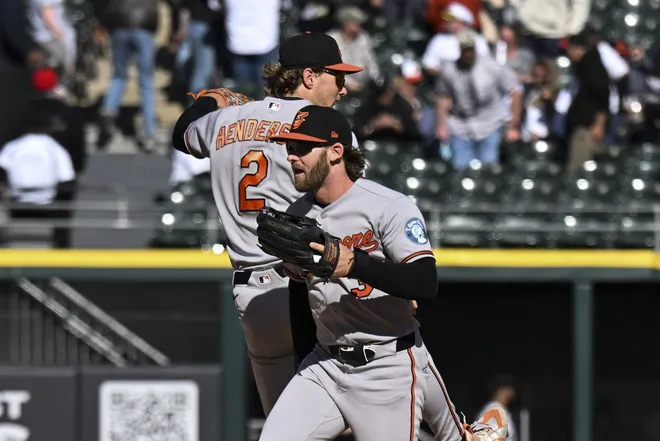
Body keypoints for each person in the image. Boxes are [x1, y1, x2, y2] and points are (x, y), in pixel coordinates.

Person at [258, 104, 509, 441]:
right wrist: (302, 366)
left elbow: (425, 281)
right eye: (289, 147)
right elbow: (300, 299)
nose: (292, 156)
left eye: (302, 147)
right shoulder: (298, 216)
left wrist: (356, 264)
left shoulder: (388, 205)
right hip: (325, 363)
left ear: (335, 152)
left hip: (386, 364)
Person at [171, 32, 363, 416]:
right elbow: (354, 206)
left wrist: (212, 99)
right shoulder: (325, 127)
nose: (342, 89)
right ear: (309, 77)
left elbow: (182, 134)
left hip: (252, 299)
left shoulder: (225, 119)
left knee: (284, 427)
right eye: (335, 77)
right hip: (306, 290)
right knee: (352, 417)